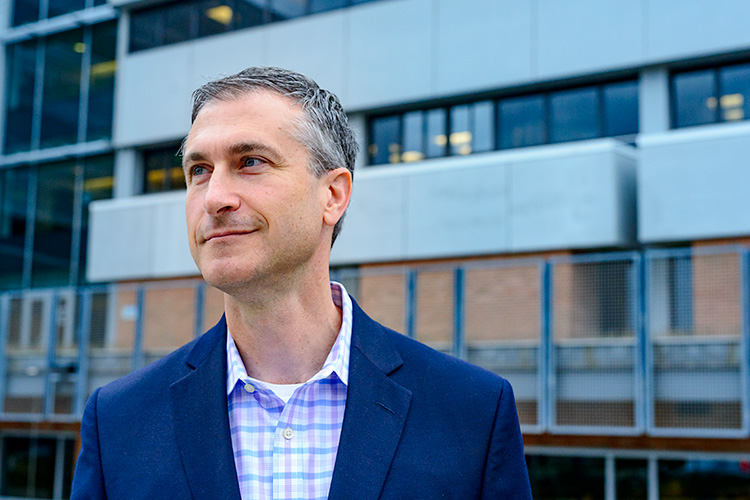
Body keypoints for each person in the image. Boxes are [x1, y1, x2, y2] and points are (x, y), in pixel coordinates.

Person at [71, 67, 532, 500]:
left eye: (250, 162)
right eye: (199, 171)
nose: (214, 198)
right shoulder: (117, 422)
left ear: (332, 195)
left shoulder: (472, 412)